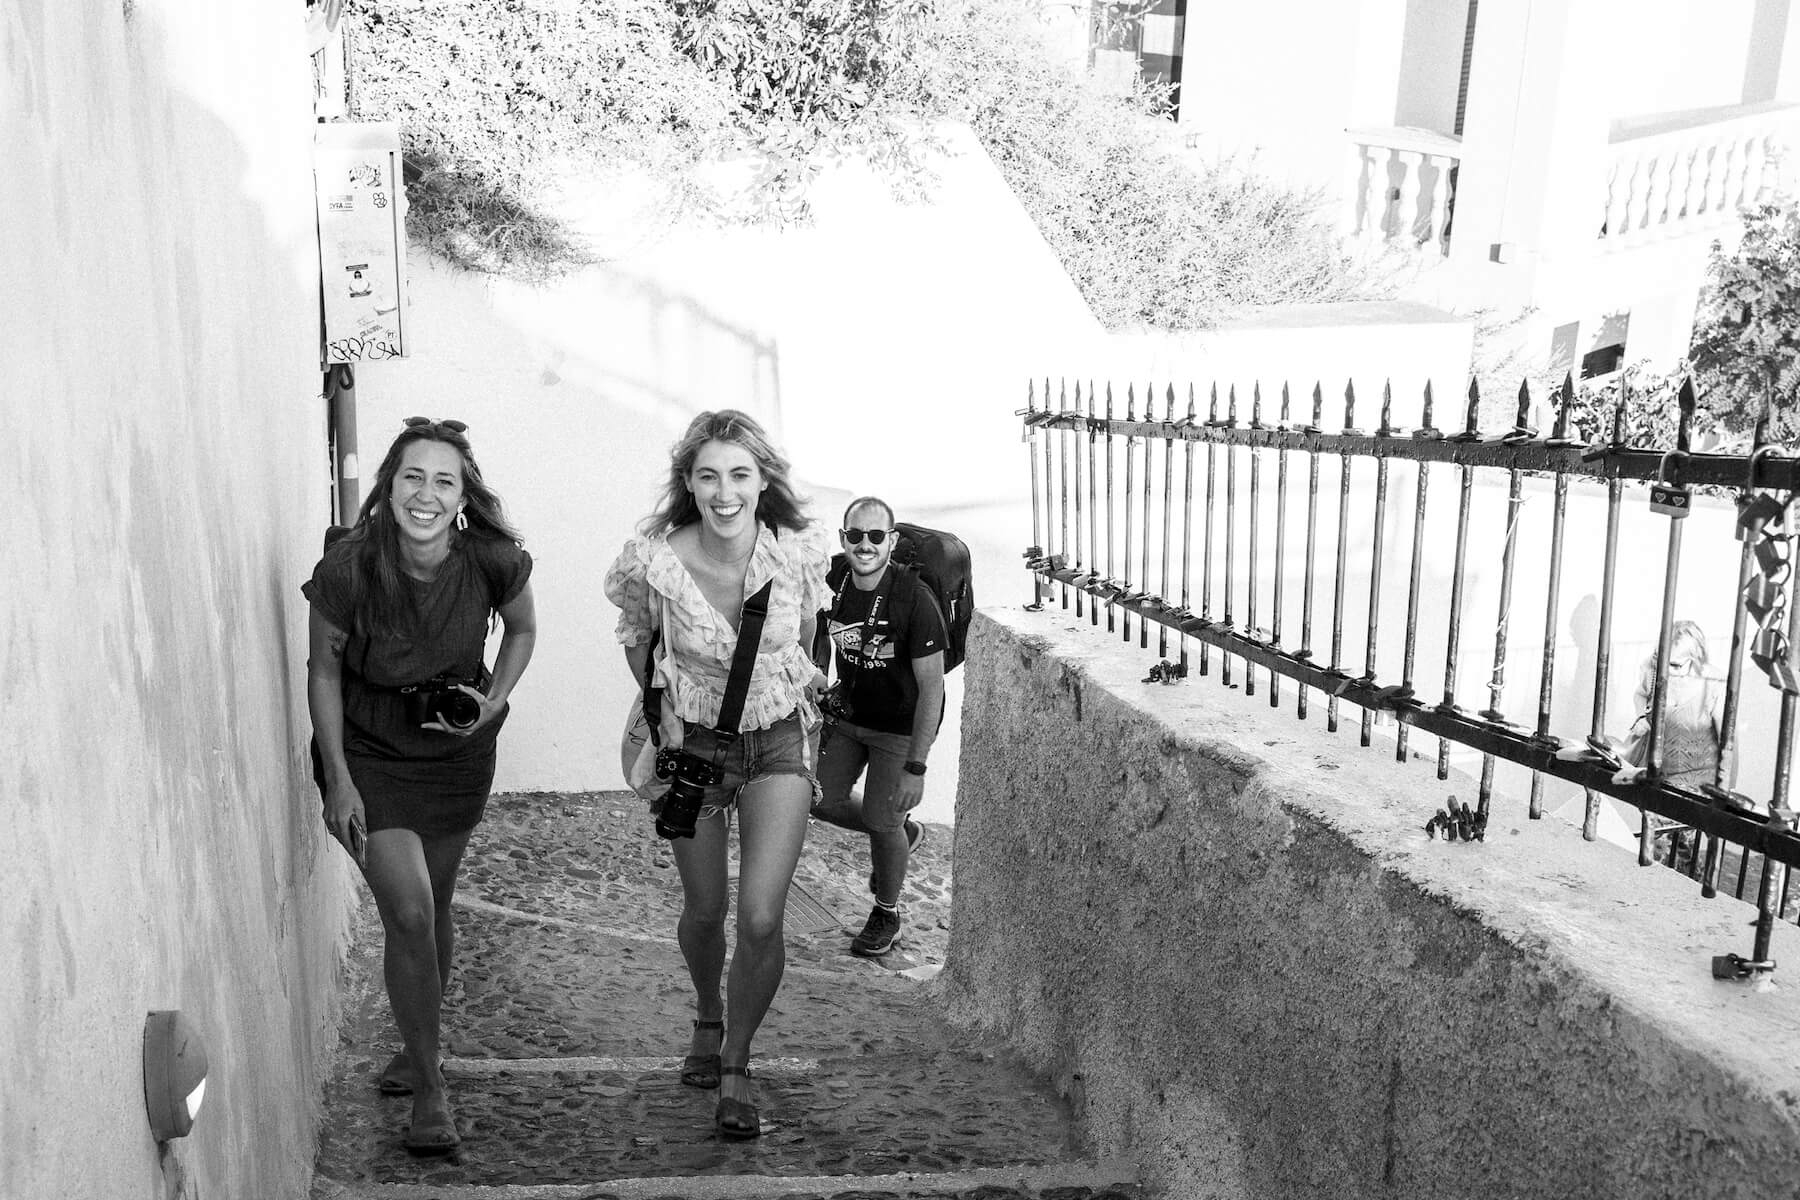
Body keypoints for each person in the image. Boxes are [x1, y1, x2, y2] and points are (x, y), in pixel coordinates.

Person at [303, 416, 536, 1155]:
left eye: (443, 480)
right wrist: (338, 780)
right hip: (369, 751)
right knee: (407, 911)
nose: (426, 494)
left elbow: (523, 631)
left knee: (433, 906)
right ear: (389, 486)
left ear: (463, 495)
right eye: (412, 477)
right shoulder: (348, 568)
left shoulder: (493, 560)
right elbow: (323, 671)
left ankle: (415, 1042)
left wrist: (493, 699)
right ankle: (432, 1088)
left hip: (455, 754)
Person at [603, 409, 829, 1140]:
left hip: (779, 742)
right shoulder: (653, 559)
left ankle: (737, 1062)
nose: (724, 492)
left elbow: (802, 638)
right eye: (709, 476)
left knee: (761, 914)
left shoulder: (796, 554)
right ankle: (708, 1011)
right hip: (693, 749)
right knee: (706, 909)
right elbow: (637, 636)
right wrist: (663, 705)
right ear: (689, 485)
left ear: (763, 481)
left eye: (739, 474)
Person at [809, 497, 947, 957]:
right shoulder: (834, 579)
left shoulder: (914, 599)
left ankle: (886, 911)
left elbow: (932, 690)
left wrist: (917, 766)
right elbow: (814, 627)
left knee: (879, 817)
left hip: (898, 728)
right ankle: (898, 833)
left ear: (890, 541)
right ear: (843, 537)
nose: (864, 545)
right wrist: (817, 678)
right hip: (849, 716)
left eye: (875, 536)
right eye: (855, 535)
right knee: (816, 798)